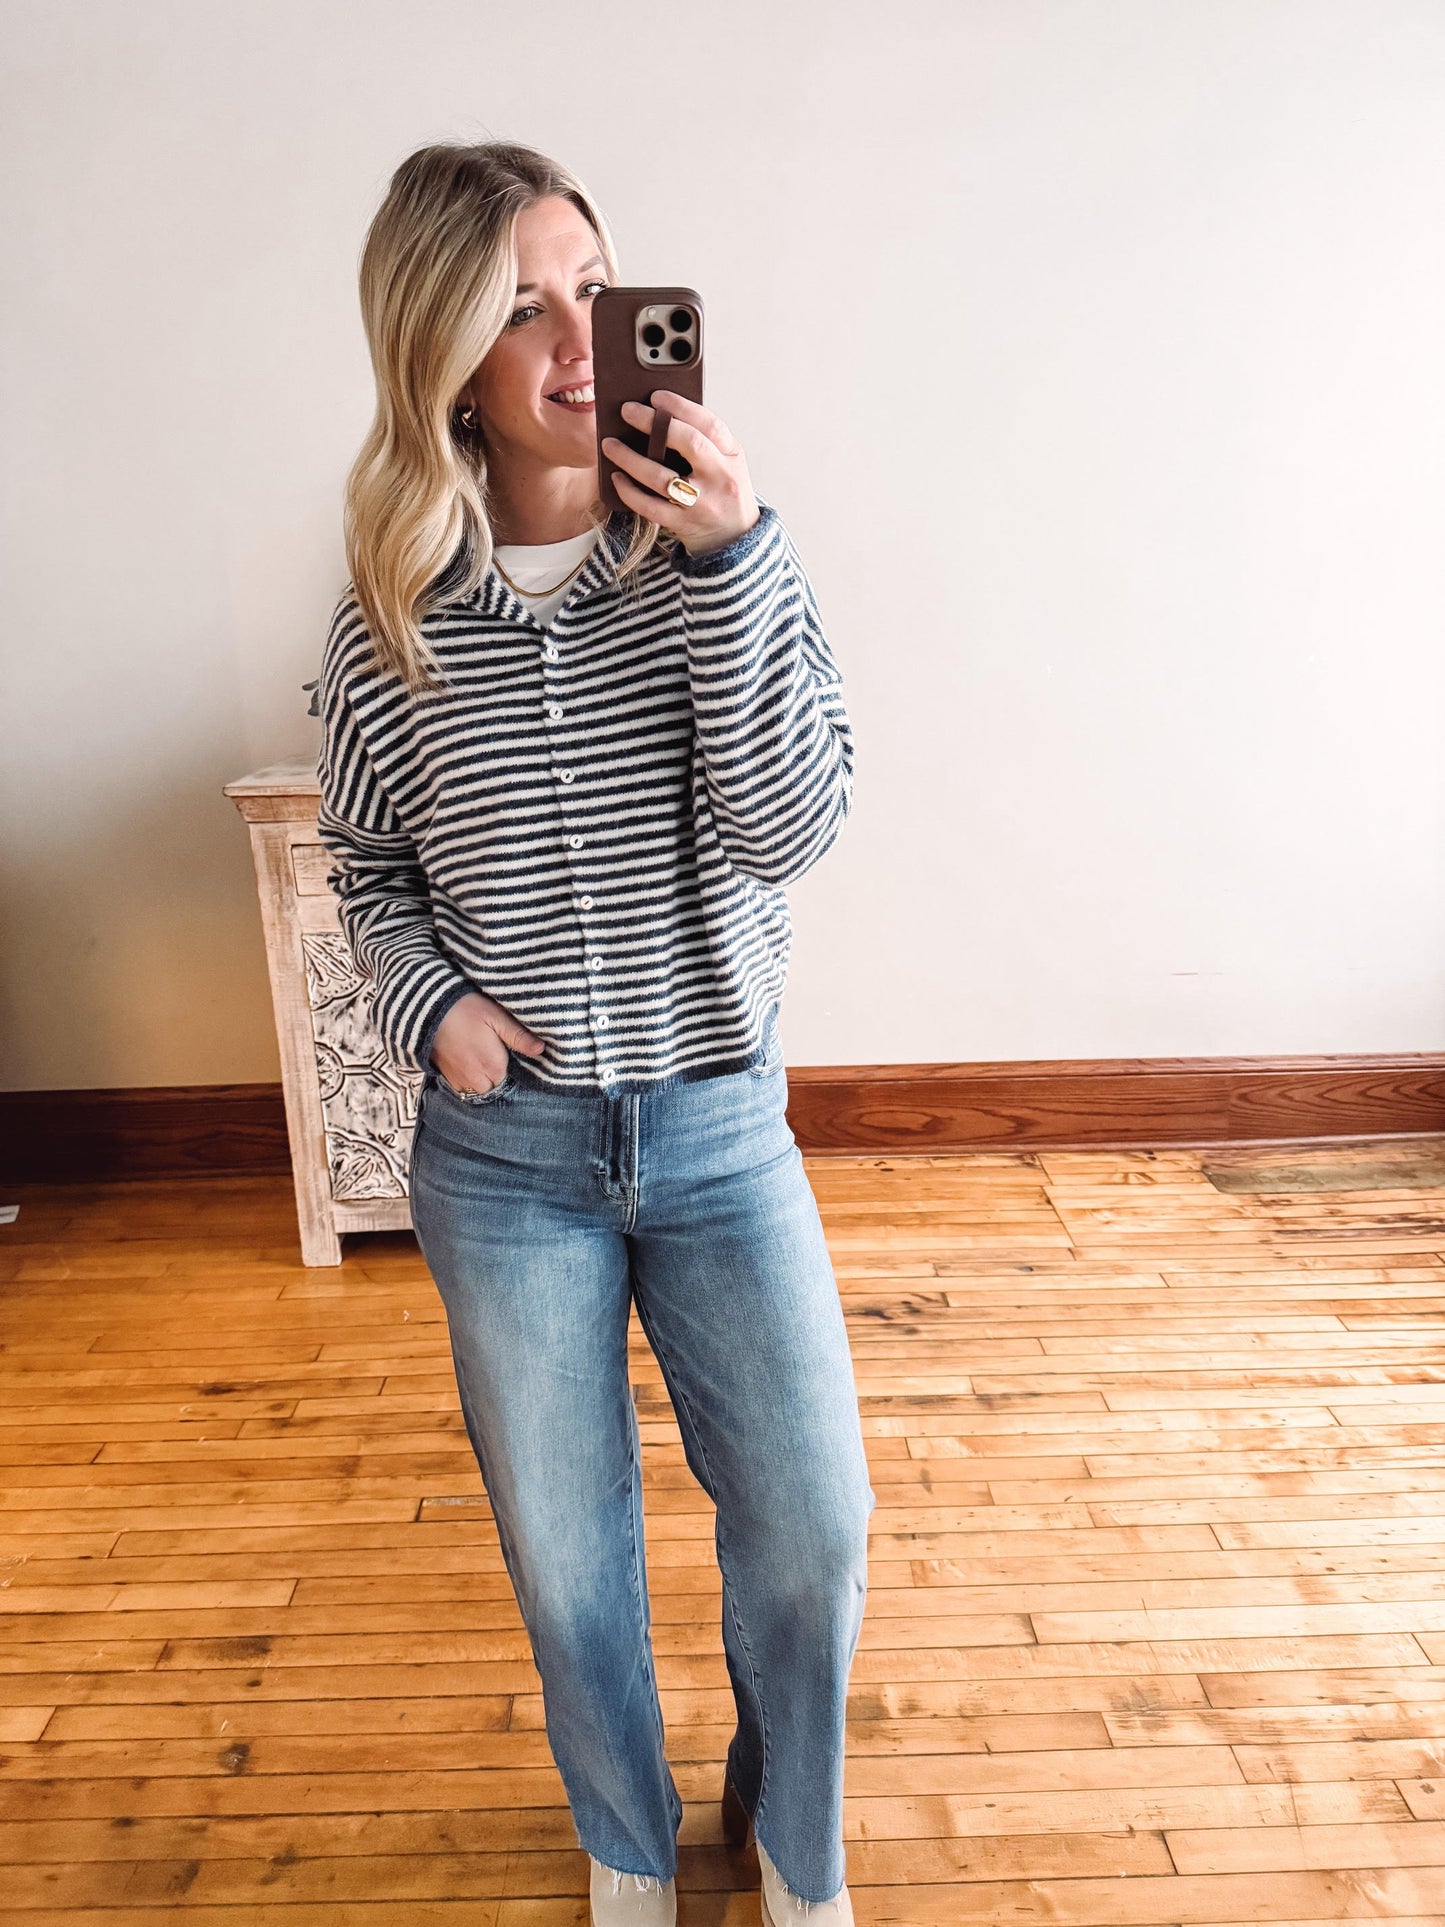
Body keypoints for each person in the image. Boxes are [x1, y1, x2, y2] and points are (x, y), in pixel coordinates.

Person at [314, 139, 875, 1926]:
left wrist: (730, 564)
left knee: (810, 1531)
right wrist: (436, 1015)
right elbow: (366, 863)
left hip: (716, 1133)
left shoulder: (718, 562)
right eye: (521, 309)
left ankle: (790, 1847)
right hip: (511, 1165)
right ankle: (626, 1847)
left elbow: (796, 824)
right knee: (571, 1568)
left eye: (595, 292)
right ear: (443, 359)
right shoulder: (389, 611)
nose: (577, 344)